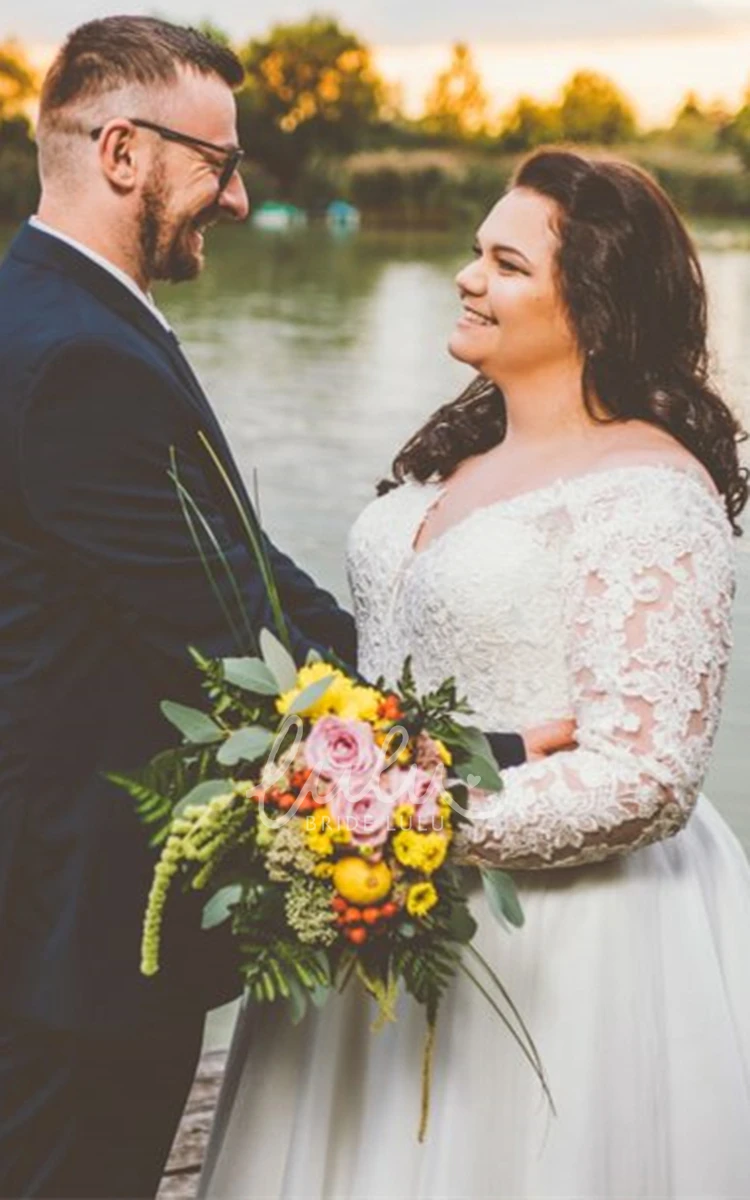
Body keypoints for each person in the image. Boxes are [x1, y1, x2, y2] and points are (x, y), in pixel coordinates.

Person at [0, 19, 568, 1199]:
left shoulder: (49, 313)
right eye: (218, 161)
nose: (242, 196)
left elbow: (246, 576)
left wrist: (419, 684)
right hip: (78, 921)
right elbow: (233, 638)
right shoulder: (77, 358)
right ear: (121, 151)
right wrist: (486, 751)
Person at [200, 149, 750, 1199]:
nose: (467, 277)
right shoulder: (460, 454)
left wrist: (398, 823)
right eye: (473, 254)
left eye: (504, 263)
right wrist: (339, 803)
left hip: (552, 941)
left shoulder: (649, 491)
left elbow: (649, 774)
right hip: (375, 912)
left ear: (592, 303)